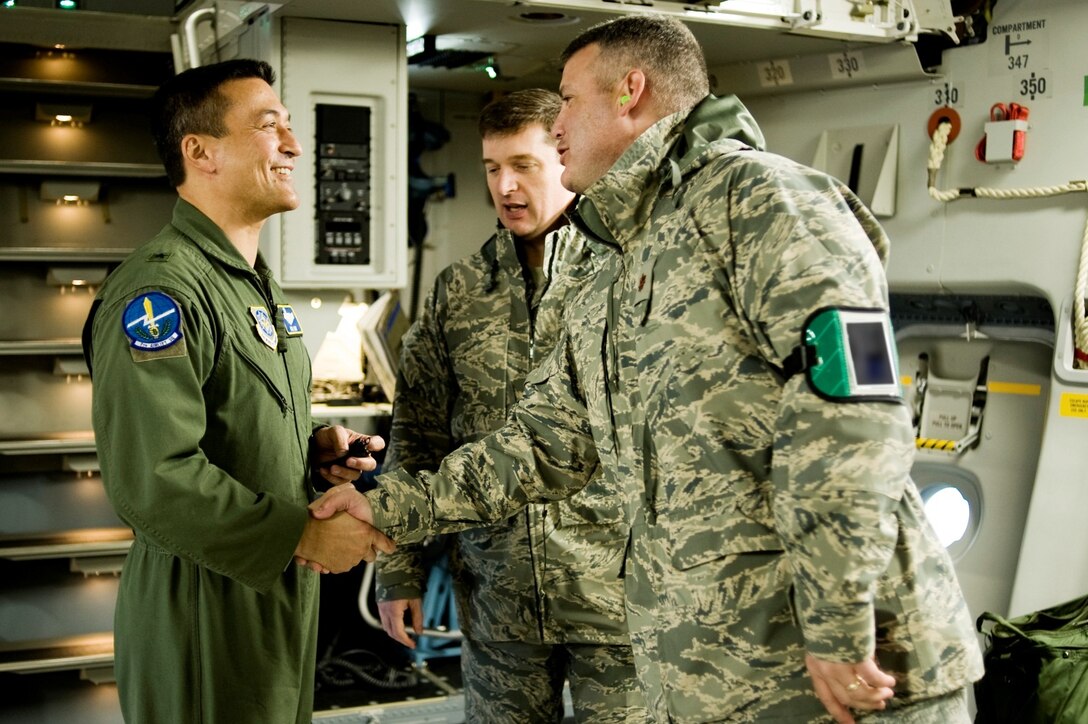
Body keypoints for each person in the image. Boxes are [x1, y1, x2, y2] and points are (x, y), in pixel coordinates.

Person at [313, 14, 984, 724]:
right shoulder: (618, 259)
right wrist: (383, 508)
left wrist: (838, 621)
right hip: (712, 671)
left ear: (630, 91)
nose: (557, 121)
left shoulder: (759, 203)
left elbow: (852, 418)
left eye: (568, 99)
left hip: (843, 669)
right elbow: (542, 442)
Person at [82, 58, 393, 724]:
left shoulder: (252, 284)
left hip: (267, 599)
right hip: (203, 605)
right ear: (201, 152)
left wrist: (307, 454)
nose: (294, 145)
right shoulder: (161, 291)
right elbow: (156, 477)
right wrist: (304, 539)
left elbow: (230, 423)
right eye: (268, 125)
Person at [375, 88, 644, 723]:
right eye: (492, 169)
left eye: (523, 164)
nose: (506, 186)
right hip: (498, 598)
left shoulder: (626, 272)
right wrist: (398, 573)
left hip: (615, 594)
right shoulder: (459, 291)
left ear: (565, 155)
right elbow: (416, 434)